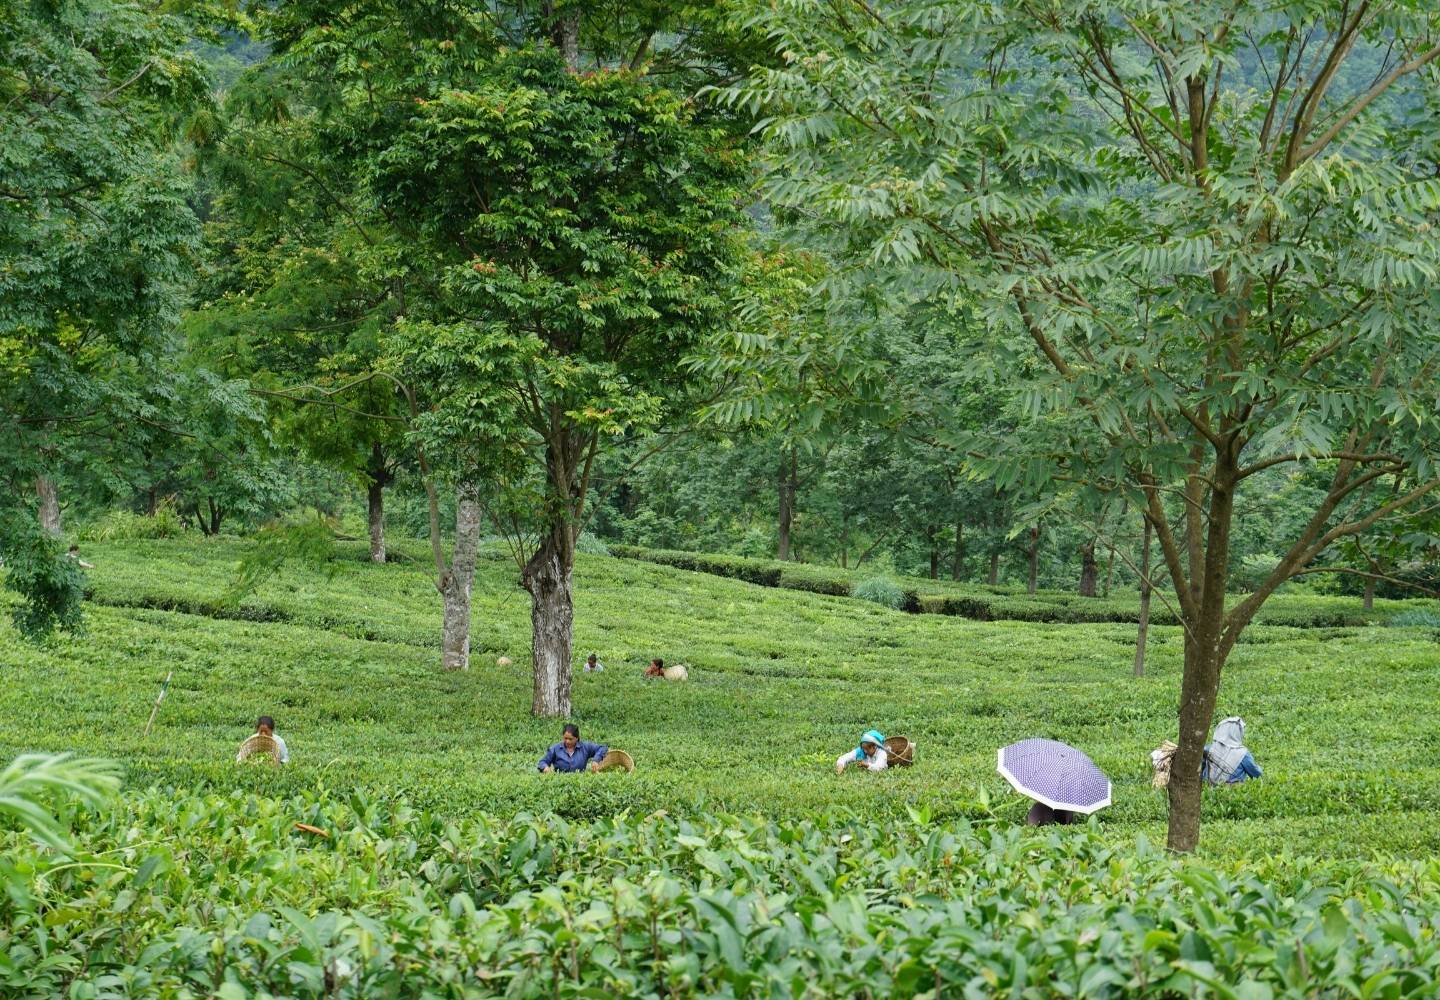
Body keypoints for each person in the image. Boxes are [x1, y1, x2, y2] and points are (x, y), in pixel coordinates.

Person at [1202, 717, 1262, 785]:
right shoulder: (1243, 754)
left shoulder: (1208, 748)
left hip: (1207, 787)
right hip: (1231, 790)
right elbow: (1257, 774)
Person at [537, 724, 608, 773]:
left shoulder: (585, 747)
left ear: (576, 738)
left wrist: (596, 760)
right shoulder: (556, 748)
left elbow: (602, 748)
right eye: (565, 738)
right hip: (560, 781)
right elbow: (542, 762)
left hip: (580, 781)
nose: (567, 741)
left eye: (570, 739)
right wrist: (545, 768)